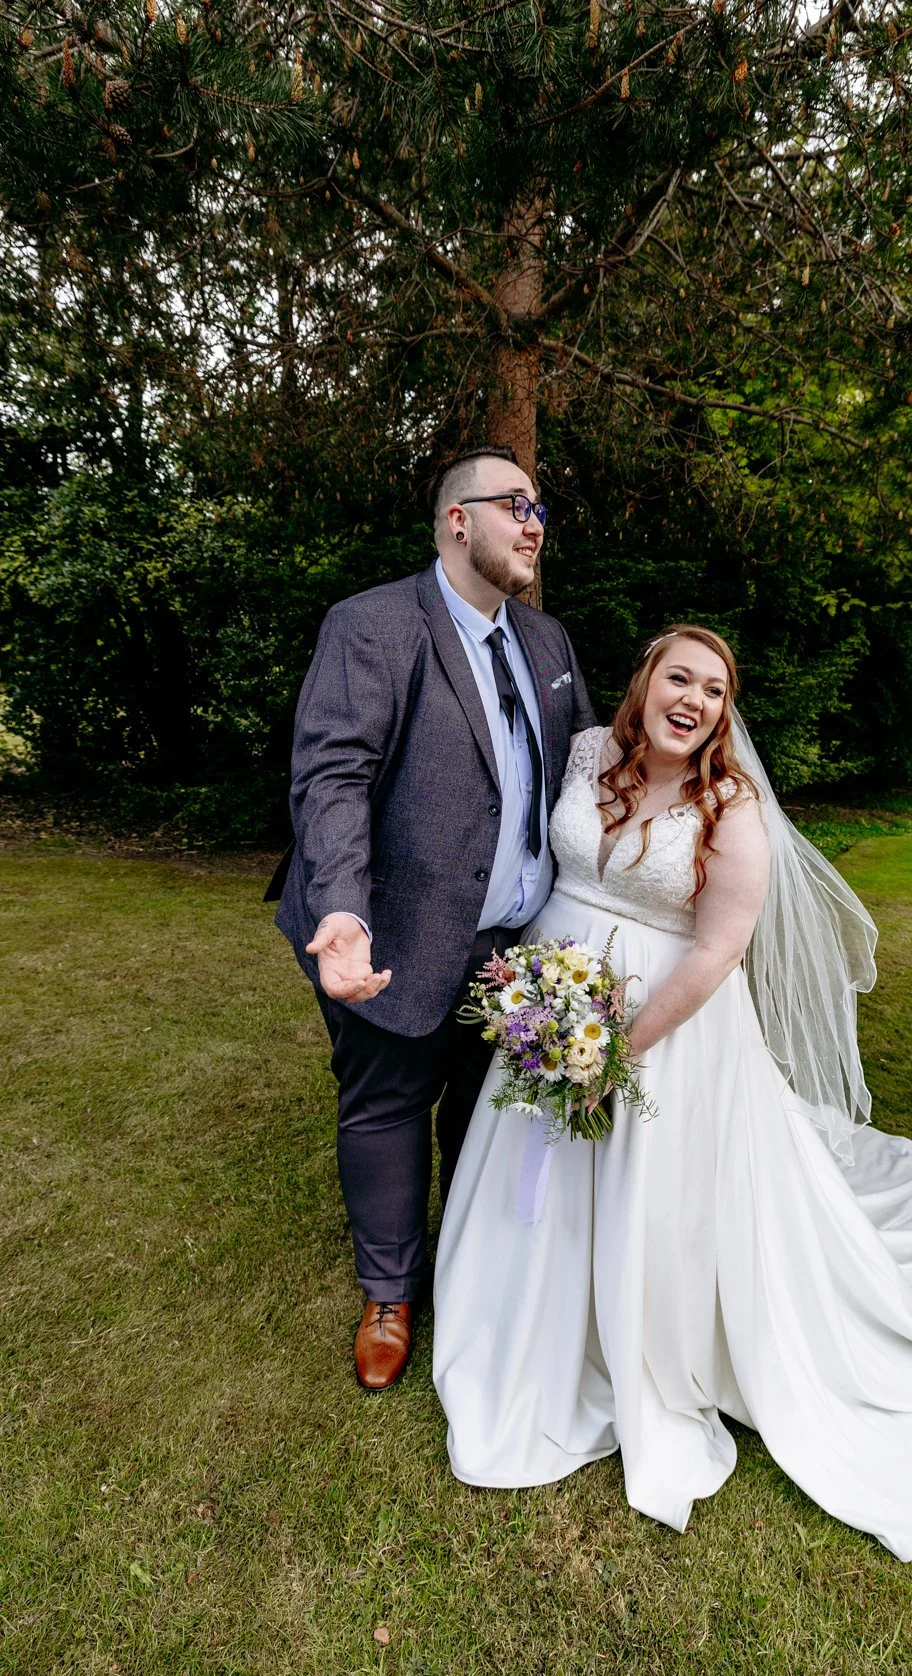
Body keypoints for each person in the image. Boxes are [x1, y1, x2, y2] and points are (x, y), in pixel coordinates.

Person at [432, 624, 912, 1561]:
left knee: (653, 1195)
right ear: (644, 681)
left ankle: (638, 1340)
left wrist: (617, 1054)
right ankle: (518, 1315)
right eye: (681, 678)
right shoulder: (587, 751)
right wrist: (539, 998)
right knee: (535, 1169)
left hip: (664, 1028)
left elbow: (718, 951)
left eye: (715, 691)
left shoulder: (732, 803)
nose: (696, 701)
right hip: (552, 994)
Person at [273, 447, 595, 1390]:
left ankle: (471, 1265)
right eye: (516, 506)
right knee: (385, 1103)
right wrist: (340, 906)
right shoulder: (373, 625)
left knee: (483, 1108)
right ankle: (389, 1292)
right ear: (460, 521)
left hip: (512, 945)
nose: (535, 522)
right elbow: (332, 776)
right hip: (388, 931)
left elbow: (577, 774)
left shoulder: (548, 642)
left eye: (541, 507)